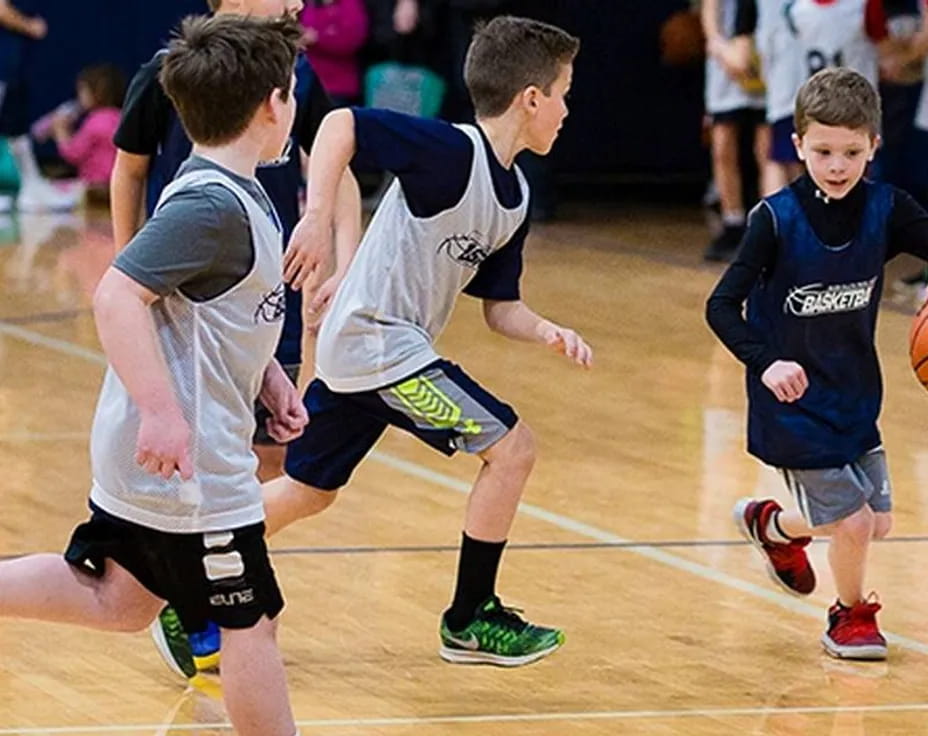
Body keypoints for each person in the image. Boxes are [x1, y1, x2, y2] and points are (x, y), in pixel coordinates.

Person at [0, 15, 307, 736]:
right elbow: (116, 295)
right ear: (272, 104)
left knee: (121, 600)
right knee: (252, 624)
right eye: (292, 92)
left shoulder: (231, 187)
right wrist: (164, 413)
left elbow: (214, 308)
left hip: (167, 458)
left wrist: (266, 375)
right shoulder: (210, 204)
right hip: (188, 467)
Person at [269, 14, 590, 667]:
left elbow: (501, 310)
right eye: (563, 94)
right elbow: (341, 125)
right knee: (513, 449)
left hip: (371, 352)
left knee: (307, 491)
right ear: (531, 99)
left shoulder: (514, 194)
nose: (566, 110)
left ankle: (185, 570)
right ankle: (470, 617)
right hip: (379, 346)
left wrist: (547, 330)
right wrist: (317, 216)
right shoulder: (451, 151)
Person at [111, 0, 360, 676]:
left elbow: (334, 159)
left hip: (265, 287)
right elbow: (128, 170)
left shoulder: (293, 76)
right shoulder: (176, 75)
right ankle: (205, 601)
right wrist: (130, 267)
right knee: (203, 460)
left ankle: (215, 591)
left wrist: (336, 250)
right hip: (201, 289)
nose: (299, 2)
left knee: (268, 456)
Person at [706, 67, 928, 660]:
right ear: (798, 144)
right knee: (853, 524)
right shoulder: (775, 219)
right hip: (791, 402)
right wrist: (766, 362)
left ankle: (773, 527)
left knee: (876, 523)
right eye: (823, 151)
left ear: (873, 145)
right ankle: (848, 616)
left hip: (853, 393)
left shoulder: (888, 208)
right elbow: (721, 306)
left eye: (851, 152)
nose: (836, 165)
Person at [701, 0, 770, 262]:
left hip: (765, 58)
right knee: (722, 146)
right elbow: (710, 8)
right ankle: (732, 223)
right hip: (726, 61)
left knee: (766, 150)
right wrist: (717, 44)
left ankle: (767, 225)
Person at [40, 64, 126, 205]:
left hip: (94, 186)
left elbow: (73, 154)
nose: (79, 97)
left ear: (96, 92)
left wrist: (61, 131)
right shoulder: (120, 117)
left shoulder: (95, 121)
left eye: (82, 91)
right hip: (118, 185)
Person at [299, 0, 370, 107]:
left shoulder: (349, 5)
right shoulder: (310, 5)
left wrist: (318, 38)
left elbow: (351, 40)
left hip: (340, 86)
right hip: (310, 82)